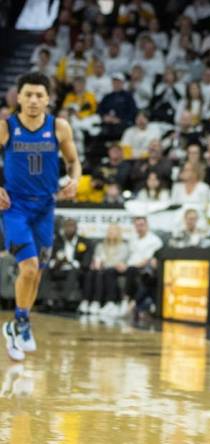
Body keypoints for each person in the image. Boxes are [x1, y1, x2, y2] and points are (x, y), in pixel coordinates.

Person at [1, 72, 82, 361]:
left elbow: (74, 162)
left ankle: (18, 323)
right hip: (15, 208)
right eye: (29, 95)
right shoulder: (6, 126)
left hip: (46, 207)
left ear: (48, 99)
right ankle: (20, 323)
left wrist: (75, 180)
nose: (34, 100)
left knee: (38, 274)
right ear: (18, 98)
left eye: (39, 95)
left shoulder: (59, 127)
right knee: (29, 267)